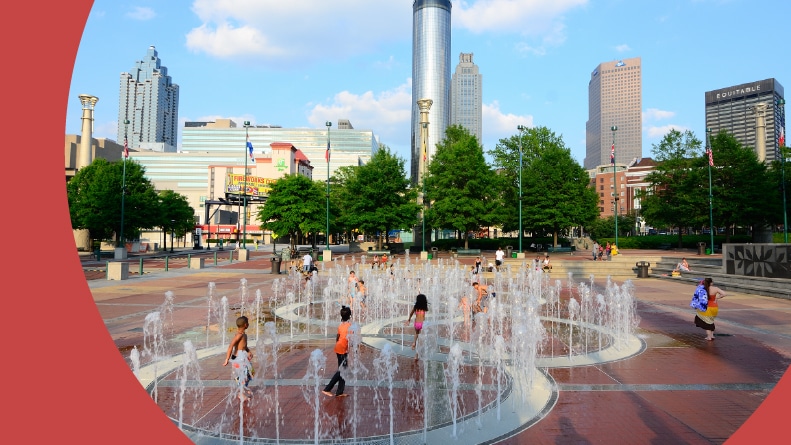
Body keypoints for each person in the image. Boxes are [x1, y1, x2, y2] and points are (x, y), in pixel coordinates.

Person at [322, 306, 353, 397]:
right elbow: (351, 340)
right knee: (342, 370)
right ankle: (327, 389)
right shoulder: (349, 326)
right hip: (342, 350)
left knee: (344, 370)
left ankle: (340, 391)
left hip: (339, 348)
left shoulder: (341, 325)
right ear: (349, 316)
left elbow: (338, 337)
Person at [223, 316, 254, 401]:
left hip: (243, 357)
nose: (248, 324)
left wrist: (248, 351)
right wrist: (227, 359)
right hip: (238, 358)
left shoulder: (244, 335)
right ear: (245, 325)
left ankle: (243, 389)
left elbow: (243, 346)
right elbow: (231, 346)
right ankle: (241, 394)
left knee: (249, 373)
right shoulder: (239, 335)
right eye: (248, 322)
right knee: (242, 376)